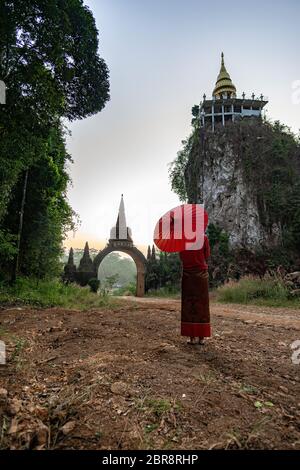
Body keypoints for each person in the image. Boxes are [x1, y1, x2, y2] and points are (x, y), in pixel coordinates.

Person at [179, 234, 211, 345]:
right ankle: (201, 338)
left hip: (187, 274)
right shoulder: (204, 238)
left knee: (189, 304)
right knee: (202, 304)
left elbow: (181, 257)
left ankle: (191, 337)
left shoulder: (183, 239)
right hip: (201, 273)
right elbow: (207, 255)